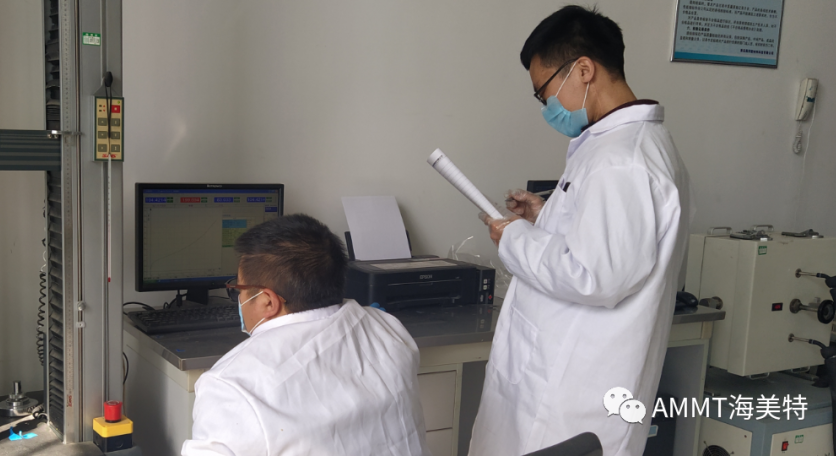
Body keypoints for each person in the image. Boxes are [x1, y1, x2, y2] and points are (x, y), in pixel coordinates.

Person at [468, 6, 691, 456]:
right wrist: (548, 215)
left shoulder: (621, 160)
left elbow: (595, 276)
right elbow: (606, 240)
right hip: (560, 381)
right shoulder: (619, 147)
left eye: (544, 92)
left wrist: (513, 238)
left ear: (584, 70)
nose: (547, 107)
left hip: (568, 396)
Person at [181, 214, 431, 456]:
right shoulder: (387, 327)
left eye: (239, 289)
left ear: (268, 301)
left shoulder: (231, 387)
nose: (239, 298)